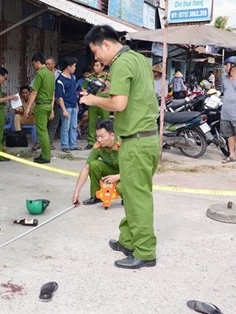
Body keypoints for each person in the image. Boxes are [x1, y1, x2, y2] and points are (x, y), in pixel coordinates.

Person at [79, 25, 160, 269]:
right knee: (131, 193)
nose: (96, 58)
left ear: (106, 44)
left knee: (137, 198)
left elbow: (120, 104)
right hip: (143, 139)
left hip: (136, 141)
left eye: (95, 52)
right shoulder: (139, 59)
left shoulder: (121, 63)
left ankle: (145, 252)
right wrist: (104, 89)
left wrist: (93, 99)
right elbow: (131, 93)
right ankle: (128, 240)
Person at [72, 119, 120, 206]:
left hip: (127, 172)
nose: (99, 140)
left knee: (121, 189)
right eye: (97, 136)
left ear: (112, 135)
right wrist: (76, 191)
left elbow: (135, 168)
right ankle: (97, 196)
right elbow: (86, 168)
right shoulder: (98, 146)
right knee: (93, 164)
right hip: (112, 169)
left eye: (102, 136)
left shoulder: (123, 144)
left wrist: (117, 177)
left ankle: (128, 196)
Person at [24, 53, 55, 164]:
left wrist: (27, 108)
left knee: (42, 132)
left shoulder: (40, 74)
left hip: (41, 105)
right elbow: (53, 93)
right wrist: (51, 109)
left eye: (34, 64)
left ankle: (46, 156)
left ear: (37, 62)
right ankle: (44, 154)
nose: (34, 66)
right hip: (48, 105)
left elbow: (34, 92)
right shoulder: (51, 74)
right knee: (44, 130)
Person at [82, 60, 110, 150]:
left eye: (97, 66)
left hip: (104, 101)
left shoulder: (107, 76)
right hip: (93, 102)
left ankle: (107, 141)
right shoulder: (90, 76)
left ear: (102, 67)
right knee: (92, 122)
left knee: (106, 122)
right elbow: (83, 86)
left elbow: (111, 87)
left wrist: (104, 83)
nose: (95, 67)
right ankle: (91, 142)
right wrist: (87, 94)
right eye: (94, 65)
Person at [55, 56, 79, 152]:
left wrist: (76, 104)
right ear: (68, 67)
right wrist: (64, 109)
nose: (75, 68)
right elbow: (59, 97)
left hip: (73, 105)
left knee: (73, 126)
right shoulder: (60, 80)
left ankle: (73, 145)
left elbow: (74, 92)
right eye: (74, 66)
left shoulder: (73, 77)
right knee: (66, 126)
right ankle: (65, 146)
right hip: (66, 106)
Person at [45, 56, 61, 151]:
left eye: (49, 64)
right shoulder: (42, 74)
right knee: (43, 124)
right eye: (46, 64)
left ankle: (49, 142)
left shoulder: (60, 74)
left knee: (53, 124)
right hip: (45, 101)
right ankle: (39, 143)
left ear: (54, 64)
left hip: (57, 101)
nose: (47, 65)